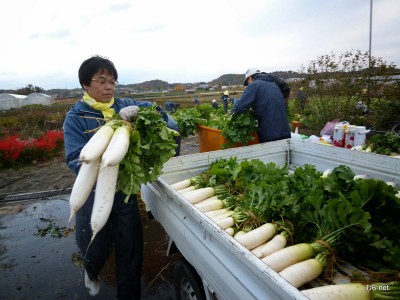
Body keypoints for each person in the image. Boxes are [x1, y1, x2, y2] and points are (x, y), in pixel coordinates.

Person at [63, 55, 180, 299]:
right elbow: (76, 159)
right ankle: (91, 271)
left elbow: (166, 121)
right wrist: (106, 156)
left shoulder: (125, 105)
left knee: (130, 250)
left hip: (125, 191)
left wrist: (152, 116)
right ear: (86, 84)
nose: (109, 87)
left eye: (113, 82)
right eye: (102, 81)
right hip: (94, 191)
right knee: (95, 246)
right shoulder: (76, 117)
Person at [230, 68, 291, 143]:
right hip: (285, 131)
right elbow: (266, 107)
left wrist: (231, 116)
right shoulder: (274, 85)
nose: (248, 85)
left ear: (250, 78)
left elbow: (239, 107)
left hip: (270, 134)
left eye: (247, 82)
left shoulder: (254, 85)